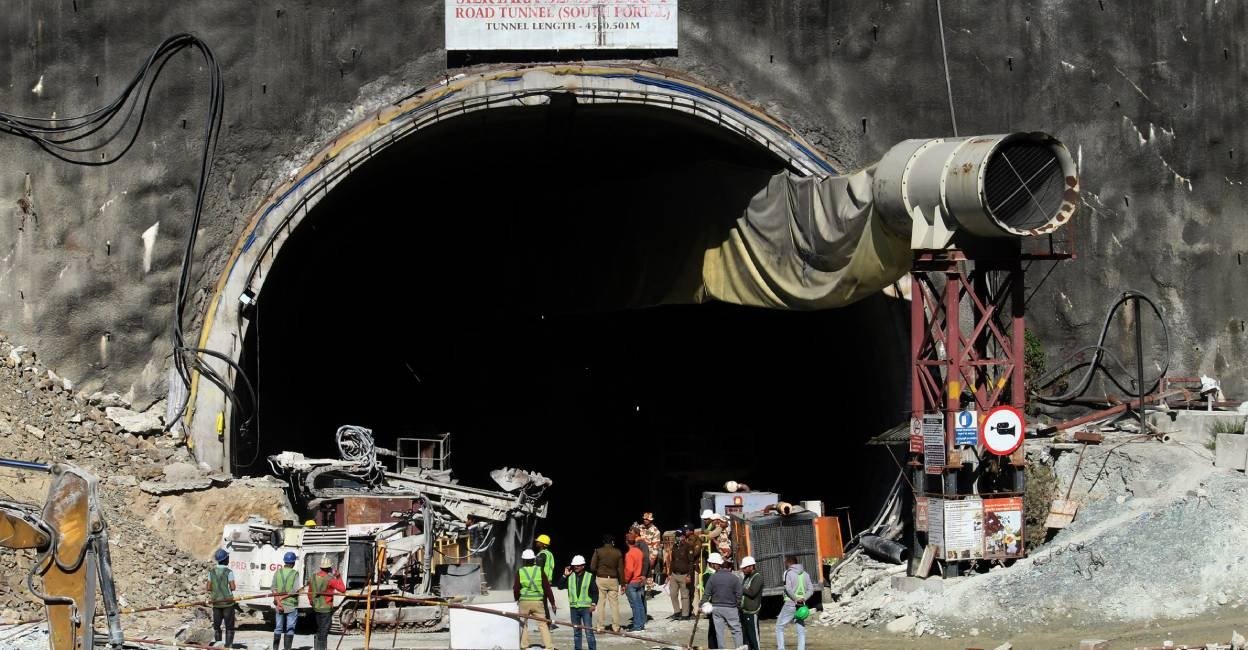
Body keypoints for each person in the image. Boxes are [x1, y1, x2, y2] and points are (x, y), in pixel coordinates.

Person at [514, 548, 557, 650]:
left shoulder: (520, 571)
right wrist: (553, 602)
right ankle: (549, 647)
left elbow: (516, 588)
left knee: (523, 624)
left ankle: (524, 646)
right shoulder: (540, 570)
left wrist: (517, 599)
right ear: (534, 559)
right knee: (543, 624)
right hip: (538, 602)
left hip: (524, 601)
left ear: (523, 560)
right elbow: (547, 588)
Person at [698, 552, 742, 649]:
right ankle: (739, 647)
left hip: (716, 608)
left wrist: (701, 605)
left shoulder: (712, 577)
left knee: (719, 633)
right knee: (736, 631)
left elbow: (706, 593)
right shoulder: (734, 578)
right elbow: (739, 594)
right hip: (731, 608)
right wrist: (737, 605)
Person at [556, 555, 598, 650]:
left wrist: (593, 604)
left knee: (589, 632)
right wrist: (564, 575)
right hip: (574, 608)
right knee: (576, 632)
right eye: (574, 565)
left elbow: (595, 592)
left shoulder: (589, 576)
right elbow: (559, 586)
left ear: (583, 566)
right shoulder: (570, 576)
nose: (576, 567)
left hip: (586, 609)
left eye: (578, 565)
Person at [307, 556, 346, 650]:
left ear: (320, 567)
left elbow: (310, 592)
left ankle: (317, 647)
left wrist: (312, 602)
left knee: (319, 630)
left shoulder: (313, 577)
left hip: (316, 608)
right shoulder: (330, 579)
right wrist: (338, 576)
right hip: (326, 609)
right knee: (324, 632)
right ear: (329, 568)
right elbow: (343, 589)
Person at [776, 555, 813, 650]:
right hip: (801, 606)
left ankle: (781, 648)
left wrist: (795, 598)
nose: (784, 564)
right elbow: (811, 589)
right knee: (801, 630)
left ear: (789, 563)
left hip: (790, 604)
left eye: (785, 562)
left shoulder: (788, 573)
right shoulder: (806, 574)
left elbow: (788, 588)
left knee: (779, 627)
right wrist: (804, 598)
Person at [589, 533, 624, 633]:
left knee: (601, 604)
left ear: (603, 542)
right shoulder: (618, 552)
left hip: (601, 579)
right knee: (614, 605)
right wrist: (623, 583)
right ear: (612, 542)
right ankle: (616, 627)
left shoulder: (598, 551)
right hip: (613, 580)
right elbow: (620, 569)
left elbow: (592, 567)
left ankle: (600, 627)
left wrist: (599, 570)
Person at [205, 549, 236, 648]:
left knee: (217, 627)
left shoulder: (211, 572)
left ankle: (218, 646)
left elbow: (208, 587)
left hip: (216, 602)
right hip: (228, 603)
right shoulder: (229, 571)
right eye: (227, 558)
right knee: (229, 627)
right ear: (225, 559)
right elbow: (233, 587)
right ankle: (228, 646)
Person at [666, 528, 699, 620]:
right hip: (674, 574)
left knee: (685, 595)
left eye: (679, 536)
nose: (677, 538)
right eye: (676, 536)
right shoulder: (675, 546)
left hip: (684, 574)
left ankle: (685, 614)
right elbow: (672, 561)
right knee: (673, 594)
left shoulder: (688, 546)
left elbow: (691, 562)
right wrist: (669, 574)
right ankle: (677, 612)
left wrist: (689, 575)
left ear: (683, 537)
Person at [271, 551, 300, 650]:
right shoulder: (295, 573)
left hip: (279, 605)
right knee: (290, 628)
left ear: (285, 561)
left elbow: (273, 588)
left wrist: (279, 601)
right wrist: (283, 598)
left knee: (278, 628)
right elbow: (295, 590)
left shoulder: (278, 572)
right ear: (293, 562)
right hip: (291, 605)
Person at [622, 532, 646, 632]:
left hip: (631, 581)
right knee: (639, 603)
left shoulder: (629, 554)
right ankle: (641, 624)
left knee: (634, 604)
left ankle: (637, 625)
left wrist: (625, 581)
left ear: (627, 542)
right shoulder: (639, 552)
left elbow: (629, 570)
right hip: (639, 580)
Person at [739, 555, 763, 650]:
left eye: (745, 568)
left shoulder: (757, 577)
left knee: (754, 637)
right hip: (744, 611)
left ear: (751, 567)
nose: (743, 570)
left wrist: (740, 588)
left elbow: (752, 592)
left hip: (752, 611)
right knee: (746, 638)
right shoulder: (747, 577)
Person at [534, 534, 557, 630]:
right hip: (547, 580)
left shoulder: (542, 555)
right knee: (543, 603)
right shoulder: (549, 554)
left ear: (543, 544)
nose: (536, 542)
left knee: (542, 604)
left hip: (542, 581)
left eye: (538, 542)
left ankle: (546, 624)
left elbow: (539, 569)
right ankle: (548, 623)